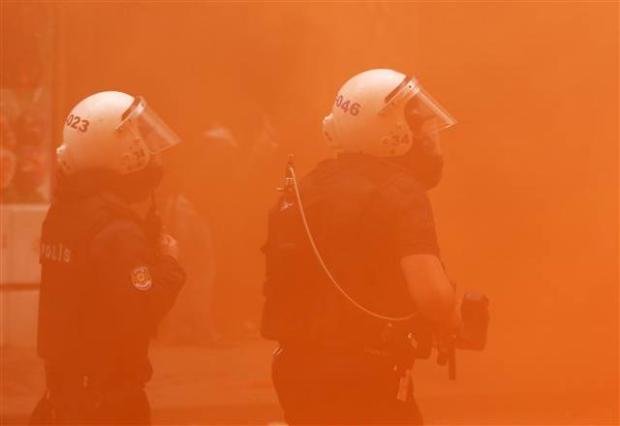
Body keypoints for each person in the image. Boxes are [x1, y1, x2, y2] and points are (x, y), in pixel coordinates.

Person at [261, 69, 460, 425]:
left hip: (296, 371)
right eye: (419, 128)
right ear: (392, 134)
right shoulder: (401, 192)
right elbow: (432, 295)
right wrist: (450, 315)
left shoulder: (308, 187)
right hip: (365, 375)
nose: (429, 137)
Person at [31, 91, 186, 425]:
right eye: (135, 136)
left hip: (65, 390)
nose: (145, 146)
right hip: (107, 400)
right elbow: (142, 310)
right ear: (112, 150)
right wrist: (170, 263)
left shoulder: (64, 212)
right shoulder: (117, 231)